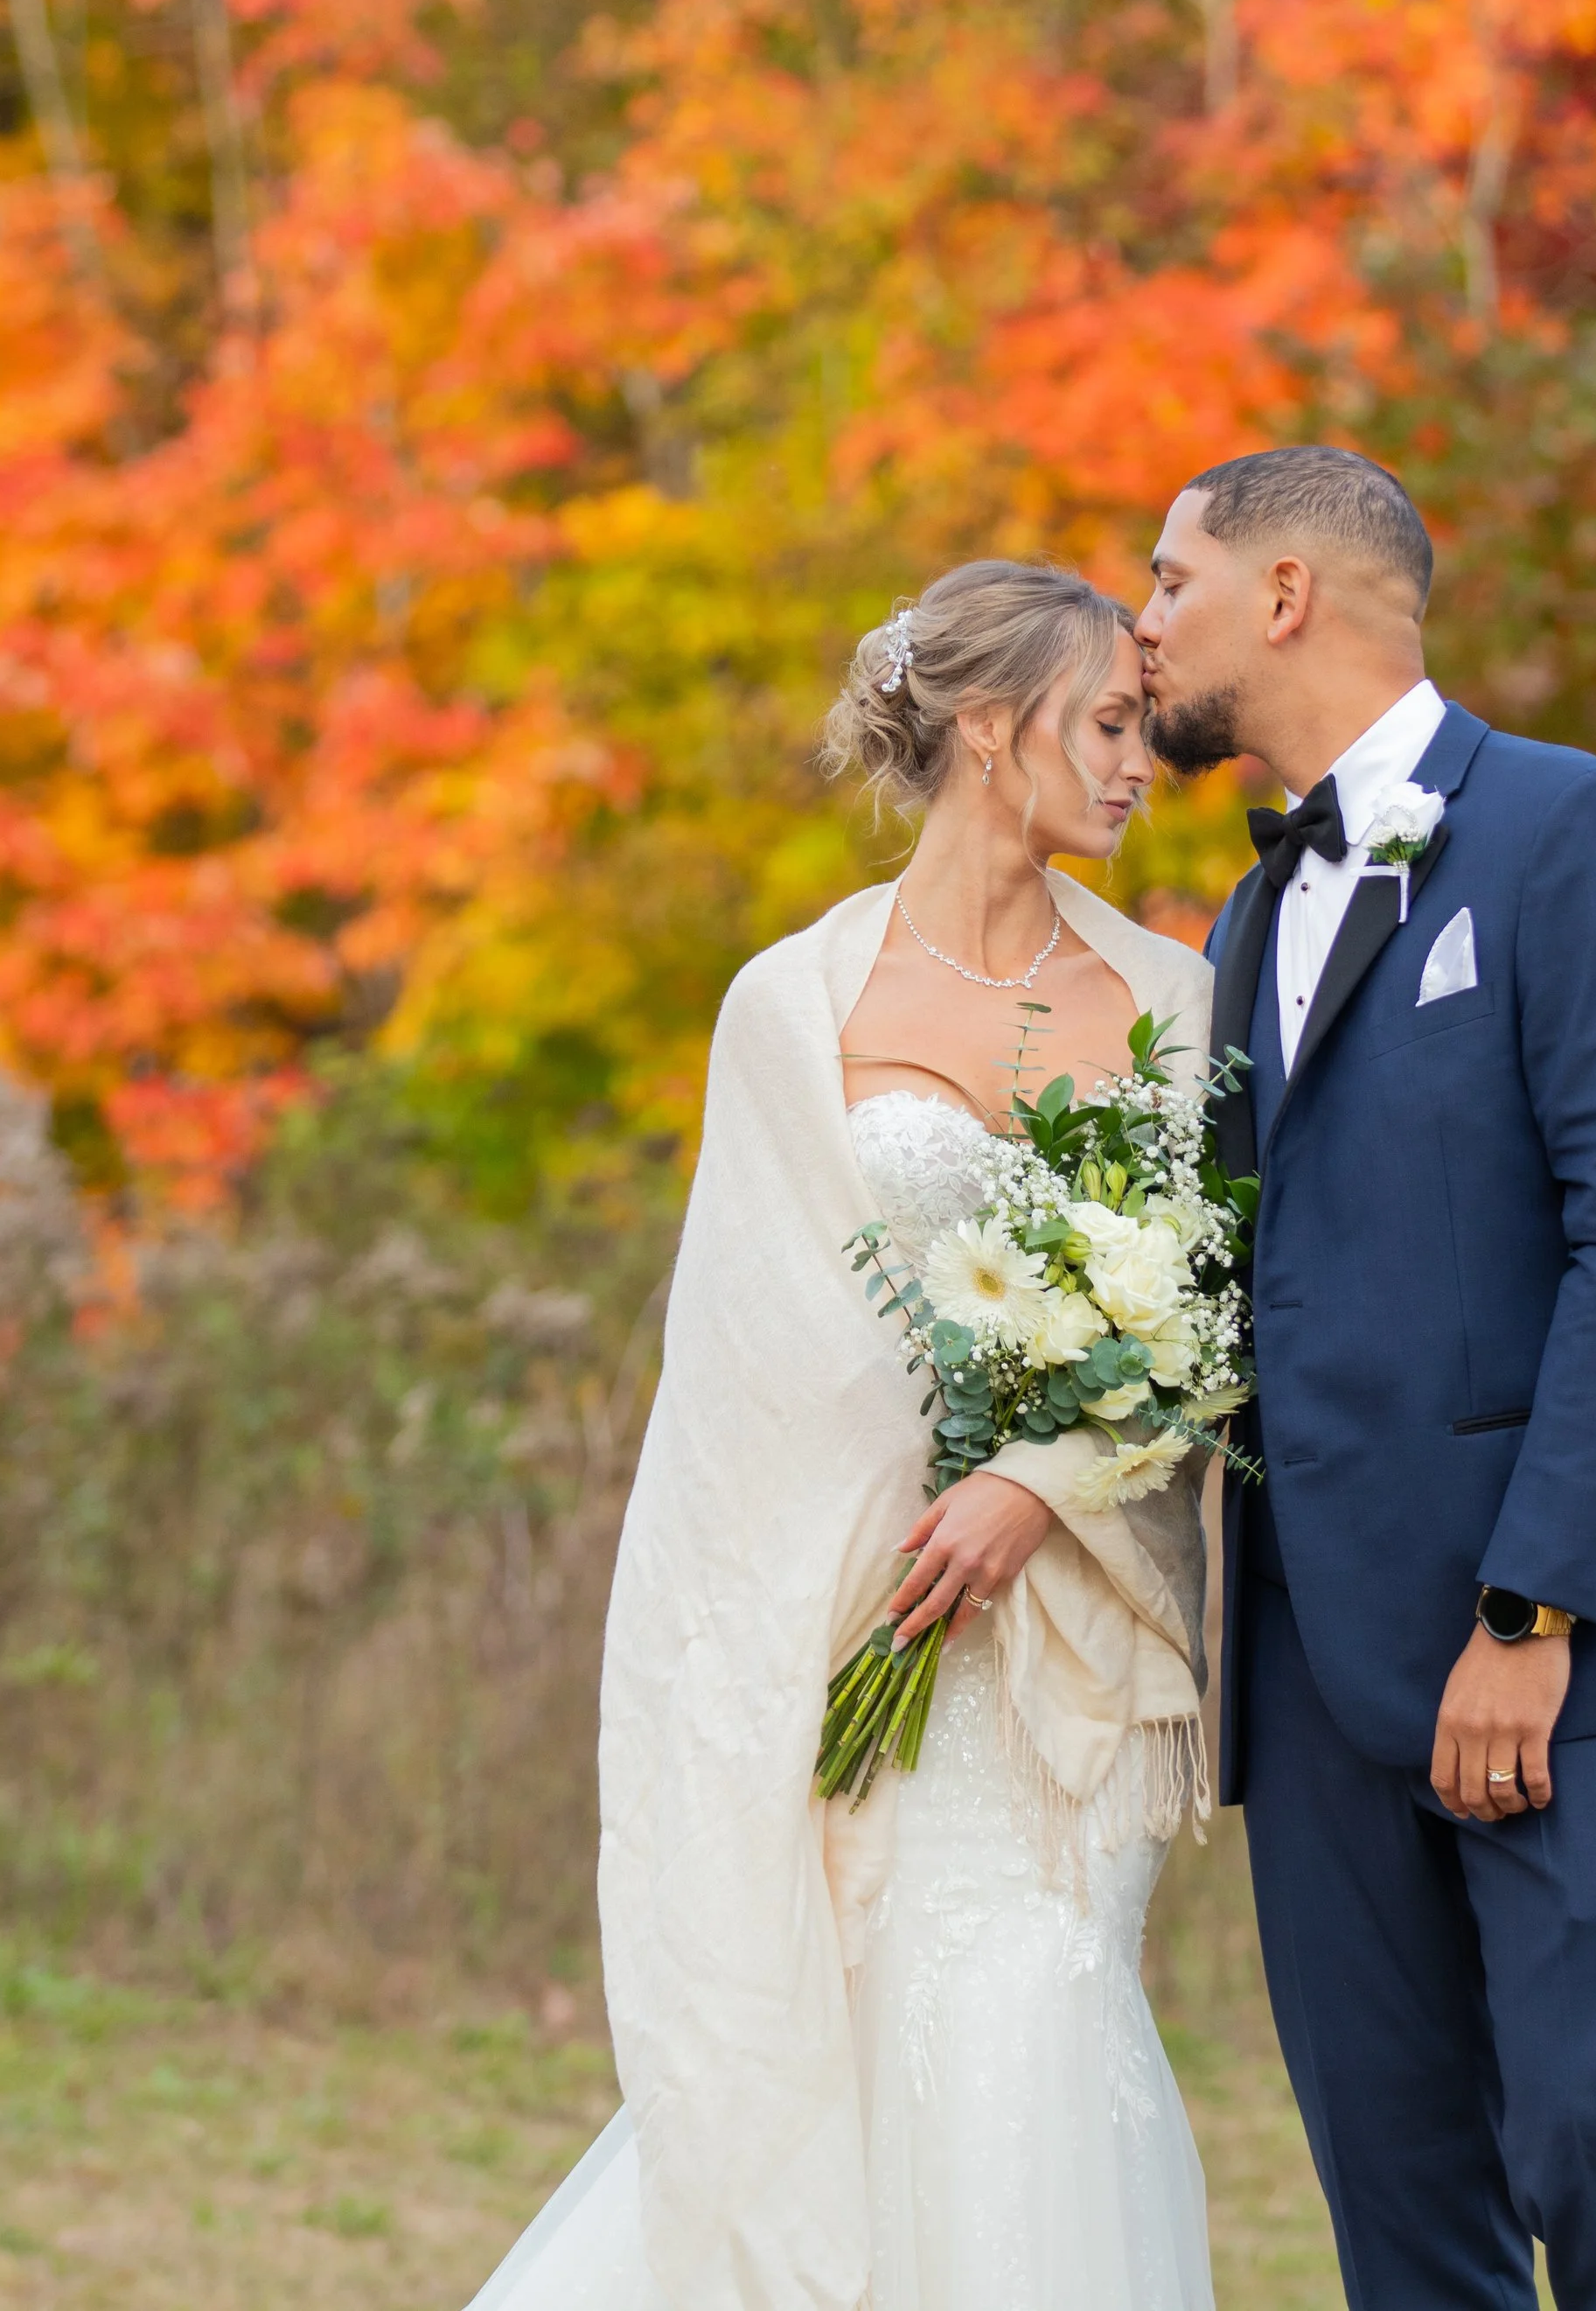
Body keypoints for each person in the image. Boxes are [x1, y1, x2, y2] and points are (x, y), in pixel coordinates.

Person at [466, 559, 1219, 2311]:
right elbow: (749, 1375)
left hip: (1072, 1648)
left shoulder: (1171, 1002)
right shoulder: (786, 1007)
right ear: (982, 724)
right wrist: (814, 1611)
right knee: (839, 2033)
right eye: (1104, 724)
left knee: (1040, 2013)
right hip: (859, 1621)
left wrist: (1038, 1481)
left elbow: (1203, 1325)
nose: (1134, 763)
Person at [1136, 444, 1596, 2311]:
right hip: (1306, 1658)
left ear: (1282, 594)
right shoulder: (1241, 916)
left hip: (1554, 1631)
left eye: (1166, 585)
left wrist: (1527, 1614)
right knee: (1396, 2185)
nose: (1139, 635)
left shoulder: (1569, 830)